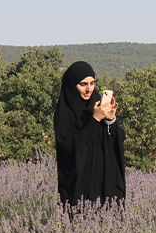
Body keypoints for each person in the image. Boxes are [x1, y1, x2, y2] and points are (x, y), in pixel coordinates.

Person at [54, 61, 126, 207]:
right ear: (72, 85)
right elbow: (70, 148)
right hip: (79, 187)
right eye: (83, 84)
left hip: (105, 185)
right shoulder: (65, 113)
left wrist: (110, 120)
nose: (89, 89)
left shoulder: (96, 105)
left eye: (92, 83)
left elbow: (116, 142)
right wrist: (95, 120)